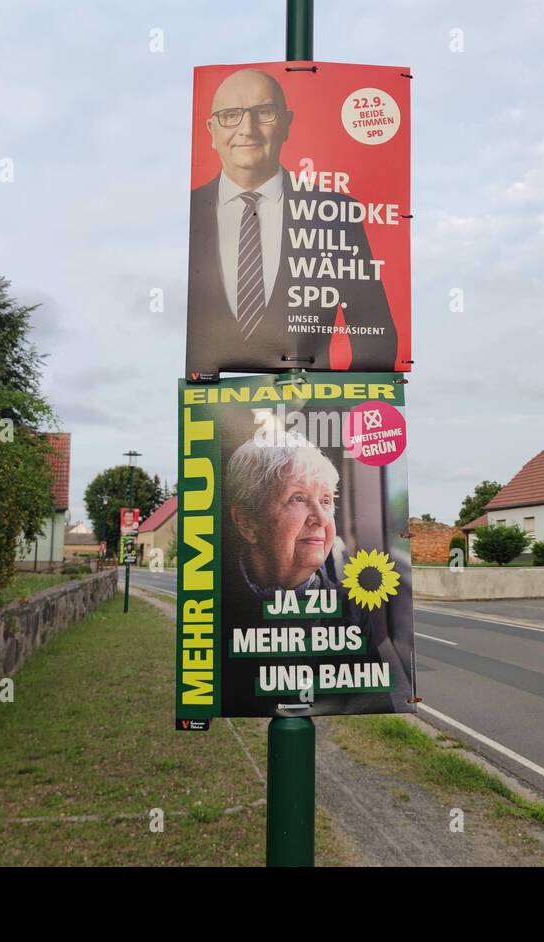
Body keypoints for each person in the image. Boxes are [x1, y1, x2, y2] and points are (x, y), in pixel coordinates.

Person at [187, 68, 397, 377]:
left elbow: (377, 341)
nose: (247, 129)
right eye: (230, 115)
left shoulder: (336, 214)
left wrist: (333, 410)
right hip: (222, 416)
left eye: (264, 113)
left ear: (286, 123)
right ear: (211, 130)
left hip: (317, 416)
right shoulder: (192, 211)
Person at [221, 431, 413, 715]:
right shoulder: (214, 607)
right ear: (248, 522)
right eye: (297, 498)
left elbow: (369, 700)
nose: (322, 518)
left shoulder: (352, 609)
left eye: (325, 500)